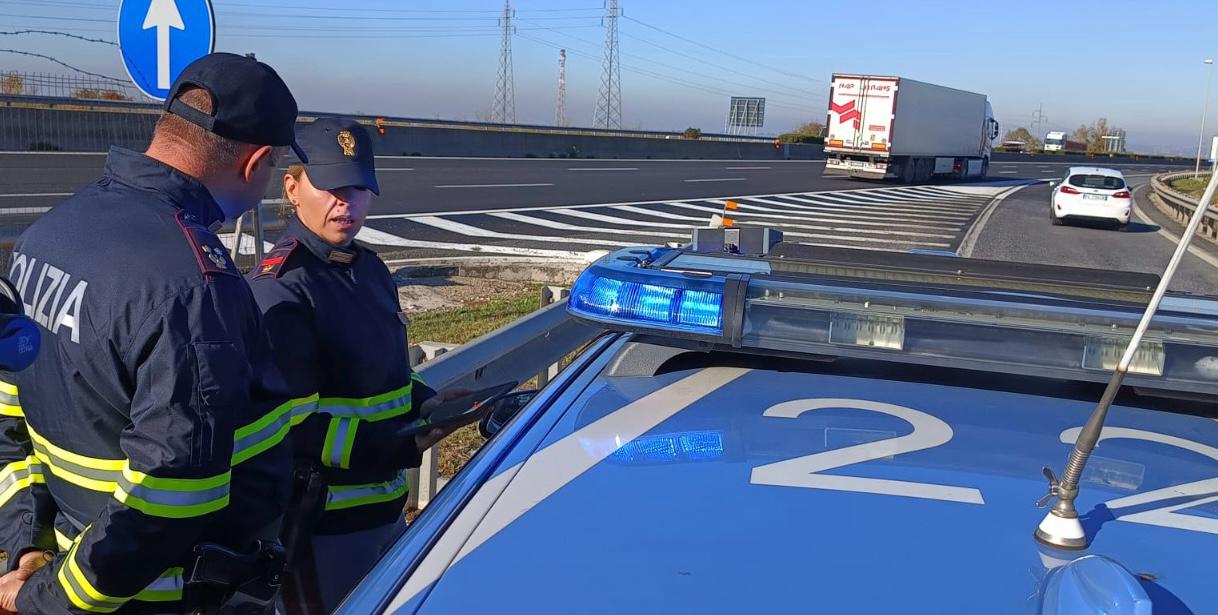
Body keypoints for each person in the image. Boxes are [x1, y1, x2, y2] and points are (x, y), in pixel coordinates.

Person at [0, 52, 311, 614]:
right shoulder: (194, 285)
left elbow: (9, 416)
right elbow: (169, 492)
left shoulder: (46, 234)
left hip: (67, 568)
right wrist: (50, 599)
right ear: (256, 162)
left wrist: (25, 547)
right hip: (156, 596)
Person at [249, 118, 481, 614]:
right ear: (292, 188)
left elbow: (384, 377)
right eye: (331, 188)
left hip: (386, 509)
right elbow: (287, 427)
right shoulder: (281, 288)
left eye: (357, 189)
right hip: (322, 526)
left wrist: (427, 402)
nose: (346, 204)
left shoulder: (370, 269)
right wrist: (400, 444)